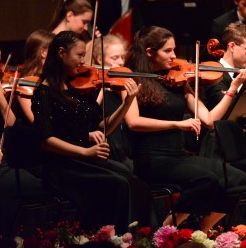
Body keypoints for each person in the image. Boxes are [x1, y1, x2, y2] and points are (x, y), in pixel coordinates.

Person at [124, 26, 246, 231]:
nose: (174, 56)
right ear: (149, 52)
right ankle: (164, 231)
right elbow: (133, 122)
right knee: (205, 179)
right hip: (151, 158)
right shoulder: (133, 80)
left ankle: (201, 232)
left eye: (174, 50)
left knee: (237, 178)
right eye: (167, 51)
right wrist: (177, 124)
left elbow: (209, 120)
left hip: (178, 156)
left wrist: (233, 89)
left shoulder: (178, 81)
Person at [31, 31, 154, 232]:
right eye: (79, 55)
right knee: (118, 184)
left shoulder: (78, 87)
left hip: (85, 160)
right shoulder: (44, 92)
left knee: (138, 184)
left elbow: (101, 127)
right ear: (61, 53)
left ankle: (141, 241)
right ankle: (112, 240)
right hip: (63, 165)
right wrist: (86, 152)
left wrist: (127, 102)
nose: (83, 61)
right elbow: (45, 140)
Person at [200, 23, 246, 185]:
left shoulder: (244, 75)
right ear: (232, 46)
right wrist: (237, 87)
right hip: (218, 148)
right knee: (243, 175)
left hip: (240, 145)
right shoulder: (213, 75)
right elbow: (224, 113)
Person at [0, 37, 42, 235]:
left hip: (2, 160)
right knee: (9, 189)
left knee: (42, 182)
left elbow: (12, 126)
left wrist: (0, 99)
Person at [91, 34, 133, 169]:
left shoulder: (121, 85)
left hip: (124, 151)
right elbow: (90, 119)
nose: (120, 62)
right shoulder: (93, 88)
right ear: (99, 59)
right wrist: (103, 89)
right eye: (115, 58)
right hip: (102, 153)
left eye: (122, 57)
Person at [15, 29, 54, 125]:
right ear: (44, 53)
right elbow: (36, 122)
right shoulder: (25, 84)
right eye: (57, 51)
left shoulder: (53, 79)